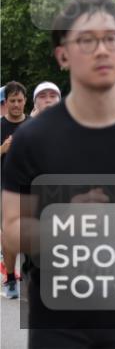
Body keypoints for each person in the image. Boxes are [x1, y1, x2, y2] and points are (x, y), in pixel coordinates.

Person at [1, 0, 115, 348]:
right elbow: (10, 232)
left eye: (111, 38)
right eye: (86, 40)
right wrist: (66, 222)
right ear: (62, 55)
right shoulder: (32, 139)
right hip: (60, 318)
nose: (102, 50)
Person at [1, 80, 29, 297]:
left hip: (30, 187)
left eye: (20, 100)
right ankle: (10, 278)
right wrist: (3, 148)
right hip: (5, 189)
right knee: (10, 236)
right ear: (6, 102)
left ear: (25, 101)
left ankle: (30, 278)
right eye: (13, 101)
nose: (16, 105)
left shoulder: (33, 126)